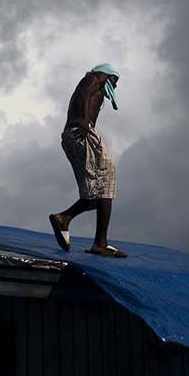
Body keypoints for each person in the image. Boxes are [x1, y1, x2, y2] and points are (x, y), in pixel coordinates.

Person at [49, 63, 127, 257]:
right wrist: (84, 120)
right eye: (115, 80)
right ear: (108, 75)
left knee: (96, 196)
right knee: (107, 180)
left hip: (72, 135)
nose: (115, 86)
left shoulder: (98, 89)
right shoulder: (95, 78)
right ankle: (100, 243)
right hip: (82, 132)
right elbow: (84, 93)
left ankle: (64, 218)